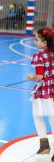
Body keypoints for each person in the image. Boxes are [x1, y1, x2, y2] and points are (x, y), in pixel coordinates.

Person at [27, 27, 54, 161]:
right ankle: (45, 147)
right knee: (52, 117)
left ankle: (44, 145)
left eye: (36, 39)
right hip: (52, 88)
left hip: (45, 90)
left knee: (37, 115)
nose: (34, 41)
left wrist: (31, 77)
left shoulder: (39, 56)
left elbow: (39, 76)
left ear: (44, 43)